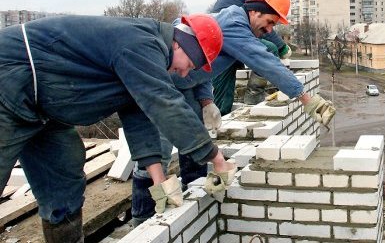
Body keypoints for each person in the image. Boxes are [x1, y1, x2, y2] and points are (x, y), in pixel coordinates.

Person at [0, 14, 234, 243]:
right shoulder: (141, 44)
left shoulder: (148, 55)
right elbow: (165, 104)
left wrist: (159, 178)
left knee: (63, 182)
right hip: (9, 82)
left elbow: (138, 116)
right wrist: (215, 157)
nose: (184, 74)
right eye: (190, 65)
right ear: (182, 45)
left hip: (43, 110)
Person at [130, 0, 336, 224]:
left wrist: (206, 100)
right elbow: (264, 62)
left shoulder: (231, 23)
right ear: (255, 11)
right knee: (158, 151)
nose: (270, 30)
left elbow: (202, 66)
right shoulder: (234, 25)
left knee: (195, 140)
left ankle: (193, 196)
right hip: (160, 87)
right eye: (269, 22)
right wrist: (306, 98)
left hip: (184, 85)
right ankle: (141, 219)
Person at [210, 0, 292, 112]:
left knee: (226, 73)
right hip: (227, 34)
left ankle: (222, 115)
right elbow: (263, 25)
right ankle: (254, 95)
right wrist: (281, 46)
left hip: (218, 37)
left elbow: (262, 24)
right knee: (269, 49)